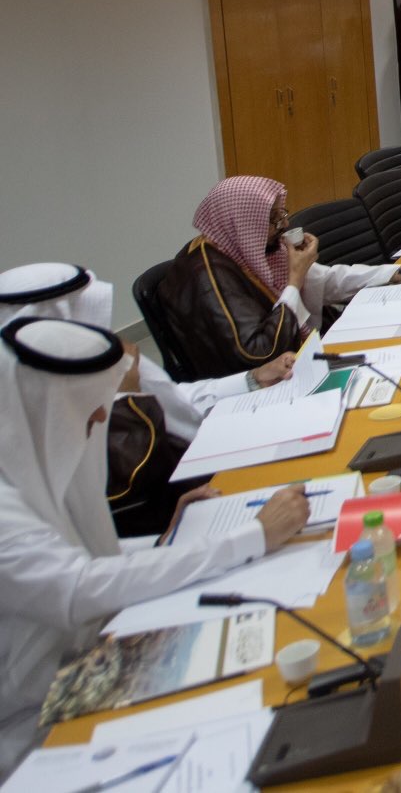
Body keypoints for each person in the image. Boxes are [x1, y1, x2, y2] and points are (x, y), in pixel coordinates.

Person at [0, 314, 311, 772]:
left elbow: (71, 562)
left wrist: (165, 541)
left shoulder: (26, 462)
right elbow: (78, 586)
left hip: (95, 662)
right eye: (88, 404)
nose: (103, 415)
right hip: (42, 729)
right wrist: (250, 538)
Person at [0, 264, 294, 538]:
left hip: (199, 479)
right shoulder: (35, 399)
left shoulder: (105, 354)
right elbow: (123, 488)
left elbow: (173, 398)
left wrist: (252, 378)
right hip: (168, 510)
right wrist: (129, 396)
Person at [152, 178, 401, 378]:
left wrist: (393, 272)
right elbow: (260, 352)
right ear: (243, 223)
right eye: (272, 220)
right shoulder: (208, 277)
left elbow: (323, 280)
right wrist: (295, 278)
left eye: (281, 214)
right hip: (267, 382)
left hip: (300, 356)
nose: (283, 226)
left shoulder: (244, 245)